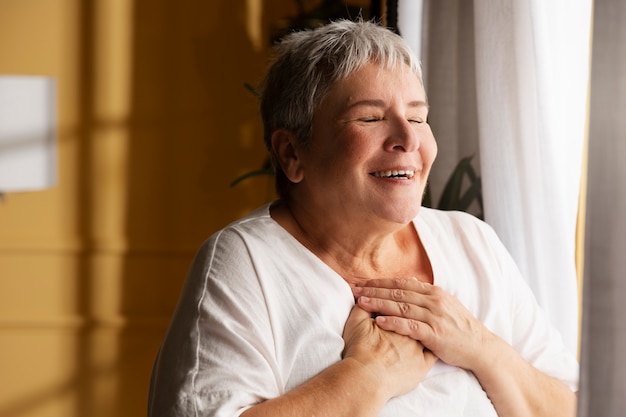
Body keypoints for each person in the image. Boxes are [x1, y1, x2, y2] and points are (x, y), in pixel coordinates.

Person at [148, 19, 578, 417]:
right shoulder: (246, 263)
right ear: (291, 154)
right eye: (370, 117)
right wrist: (367, 377)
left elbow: (572, 407)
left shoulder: (471, 241)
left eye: (418, 116)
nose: (408, 138)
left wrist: (480, 346)